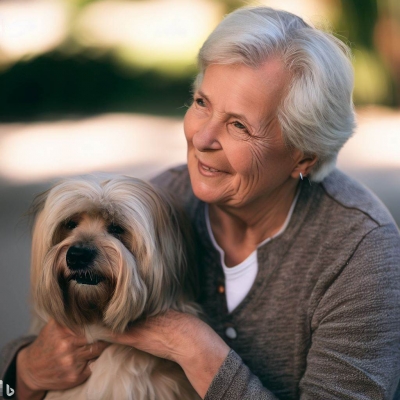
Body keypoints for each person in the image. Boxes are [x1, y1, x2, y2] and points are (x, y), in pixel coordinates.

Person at [2, 6, 400, 400]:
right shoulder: (151, 207)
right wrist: (24, 374)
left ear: (304, 155)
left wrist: (196, 350)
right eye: (202, 103)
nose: (202, 138)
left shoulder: (362, 255)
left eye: (238, 125)